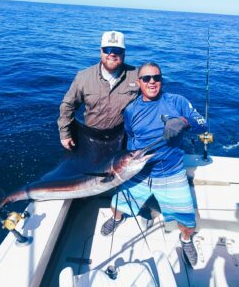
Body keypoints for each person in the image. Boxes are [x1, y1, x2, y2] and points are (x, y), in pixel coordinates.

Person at [100, 62, 207, 267]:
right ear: (138, 82)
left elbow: (203, 123)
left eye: (156, 78)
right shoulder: (131, 110)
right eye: (146, 78)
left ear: (161, 80)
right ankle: (118, 218)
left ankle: (185, 240)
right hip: (139, 171)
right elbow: (130, 138)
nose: (152, 82)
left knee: (187, 221)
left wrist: (183, 122)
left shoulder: (177, 101)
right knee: (117, 205)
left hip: (171, 173)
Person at [57, 31, 139, 160]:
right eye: (108, 49)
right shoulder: (83, 76)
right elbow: (68, 106)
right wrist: (65, 134)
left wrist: (173, 119)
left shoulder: (137, 75)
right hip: (91, 139)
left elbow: (156, 100)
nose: (112, 53)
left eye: (117, 50)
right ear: (100, 51)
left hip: (123, 137)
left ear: (124, 53)